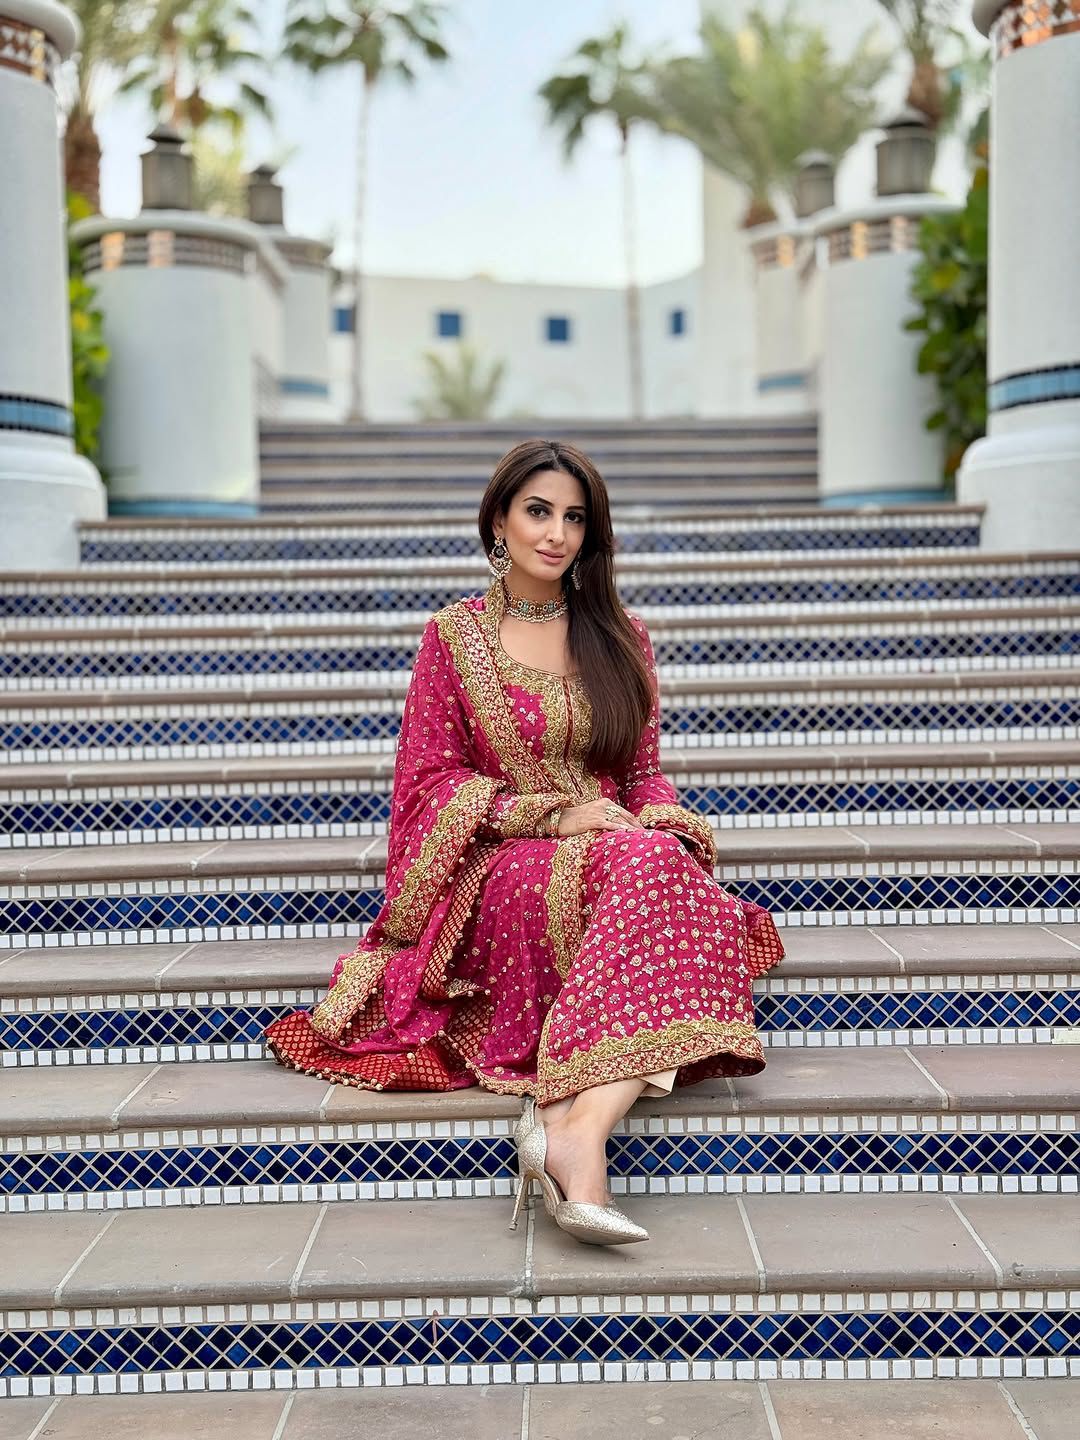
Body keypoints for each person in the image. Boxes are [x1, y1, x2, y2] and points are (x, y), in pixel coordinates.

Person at [266, 438, 784, 1246]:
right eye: (538, 512)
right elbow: (428, 783)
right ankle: (571, 1129)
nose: (556, 534)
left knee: (669, 867)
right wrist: (550, 815)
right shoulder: (454, 639)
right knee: (686, 904)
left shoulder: (620, 635)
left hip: (624, 857)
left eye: (574, 518)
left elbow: (643, 774)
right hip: (505, 865)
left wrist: (659, 821)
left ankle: (576, 1128)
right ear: (499, 521)